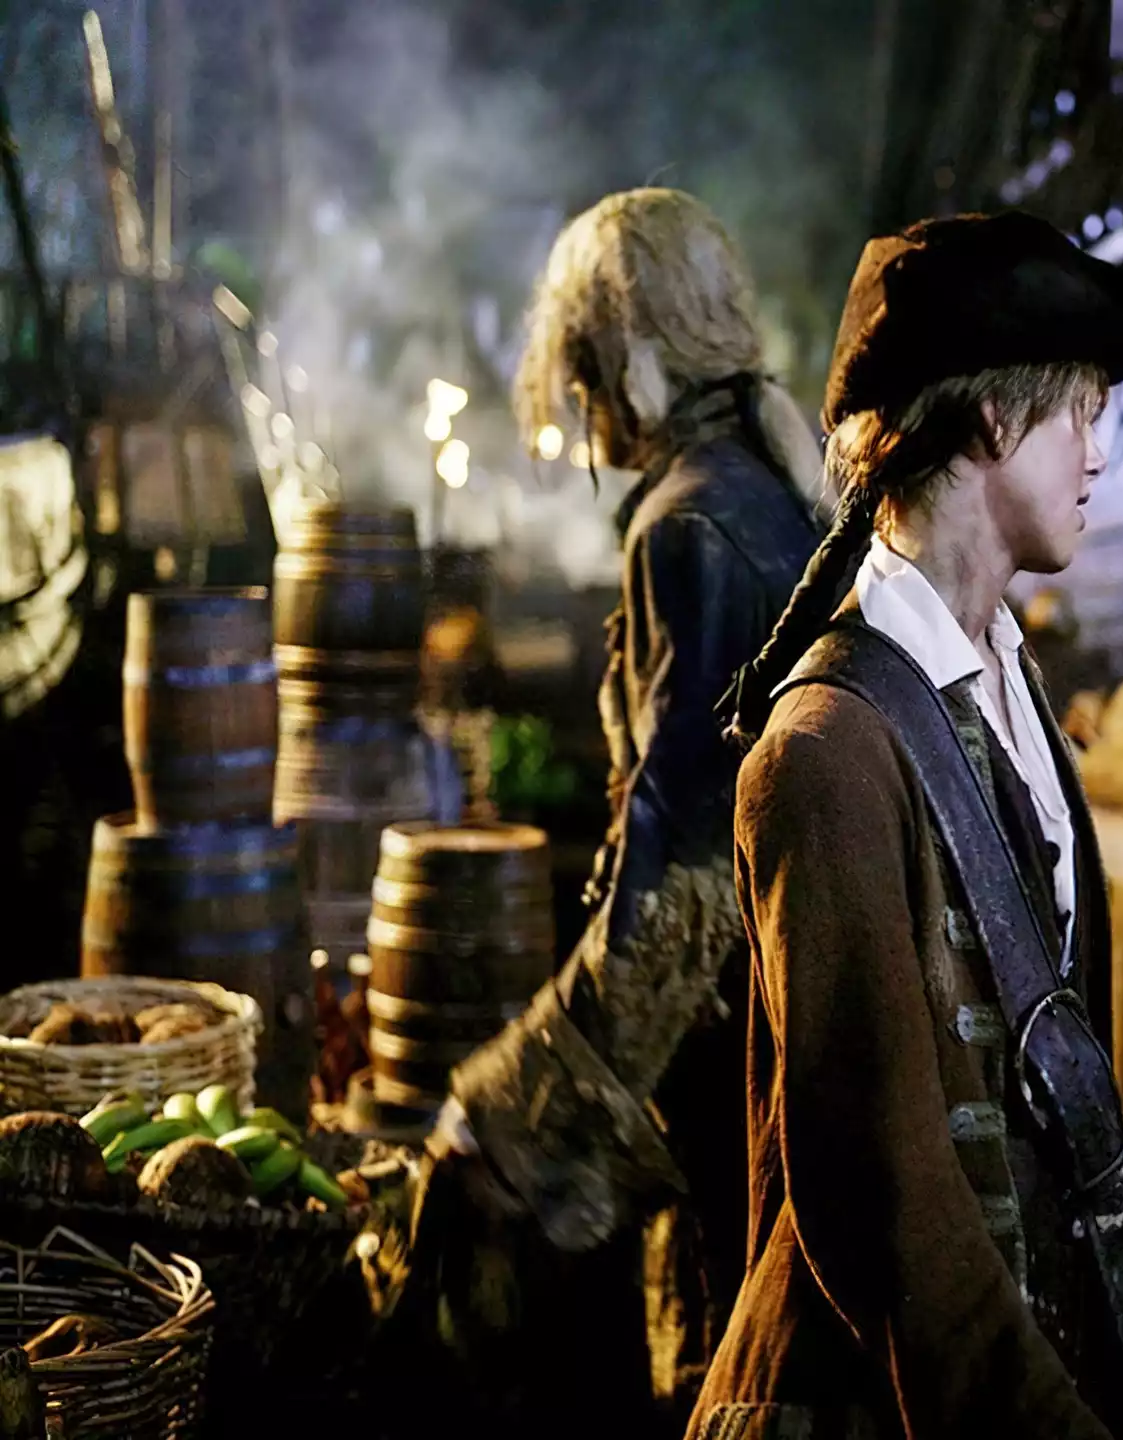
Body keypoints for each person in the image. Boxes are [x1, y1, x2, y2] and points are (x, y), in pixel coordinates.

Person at [687, 211, 1123, 1440]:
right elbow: (887, 1205)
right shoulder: (825, 756)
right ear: (993, 421)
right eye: (1080, 412)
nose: (1098, 454)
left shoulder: (1012, 686)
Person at [406, 188, 824, 1426]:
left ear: (616, 360)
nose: (578, 404)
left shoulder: (688, 529)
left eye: (579, 369)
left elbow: (678, 893)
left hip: (731, 1060)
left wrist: (512, 1108)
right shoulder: (772, 496)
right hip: (792, 1033)